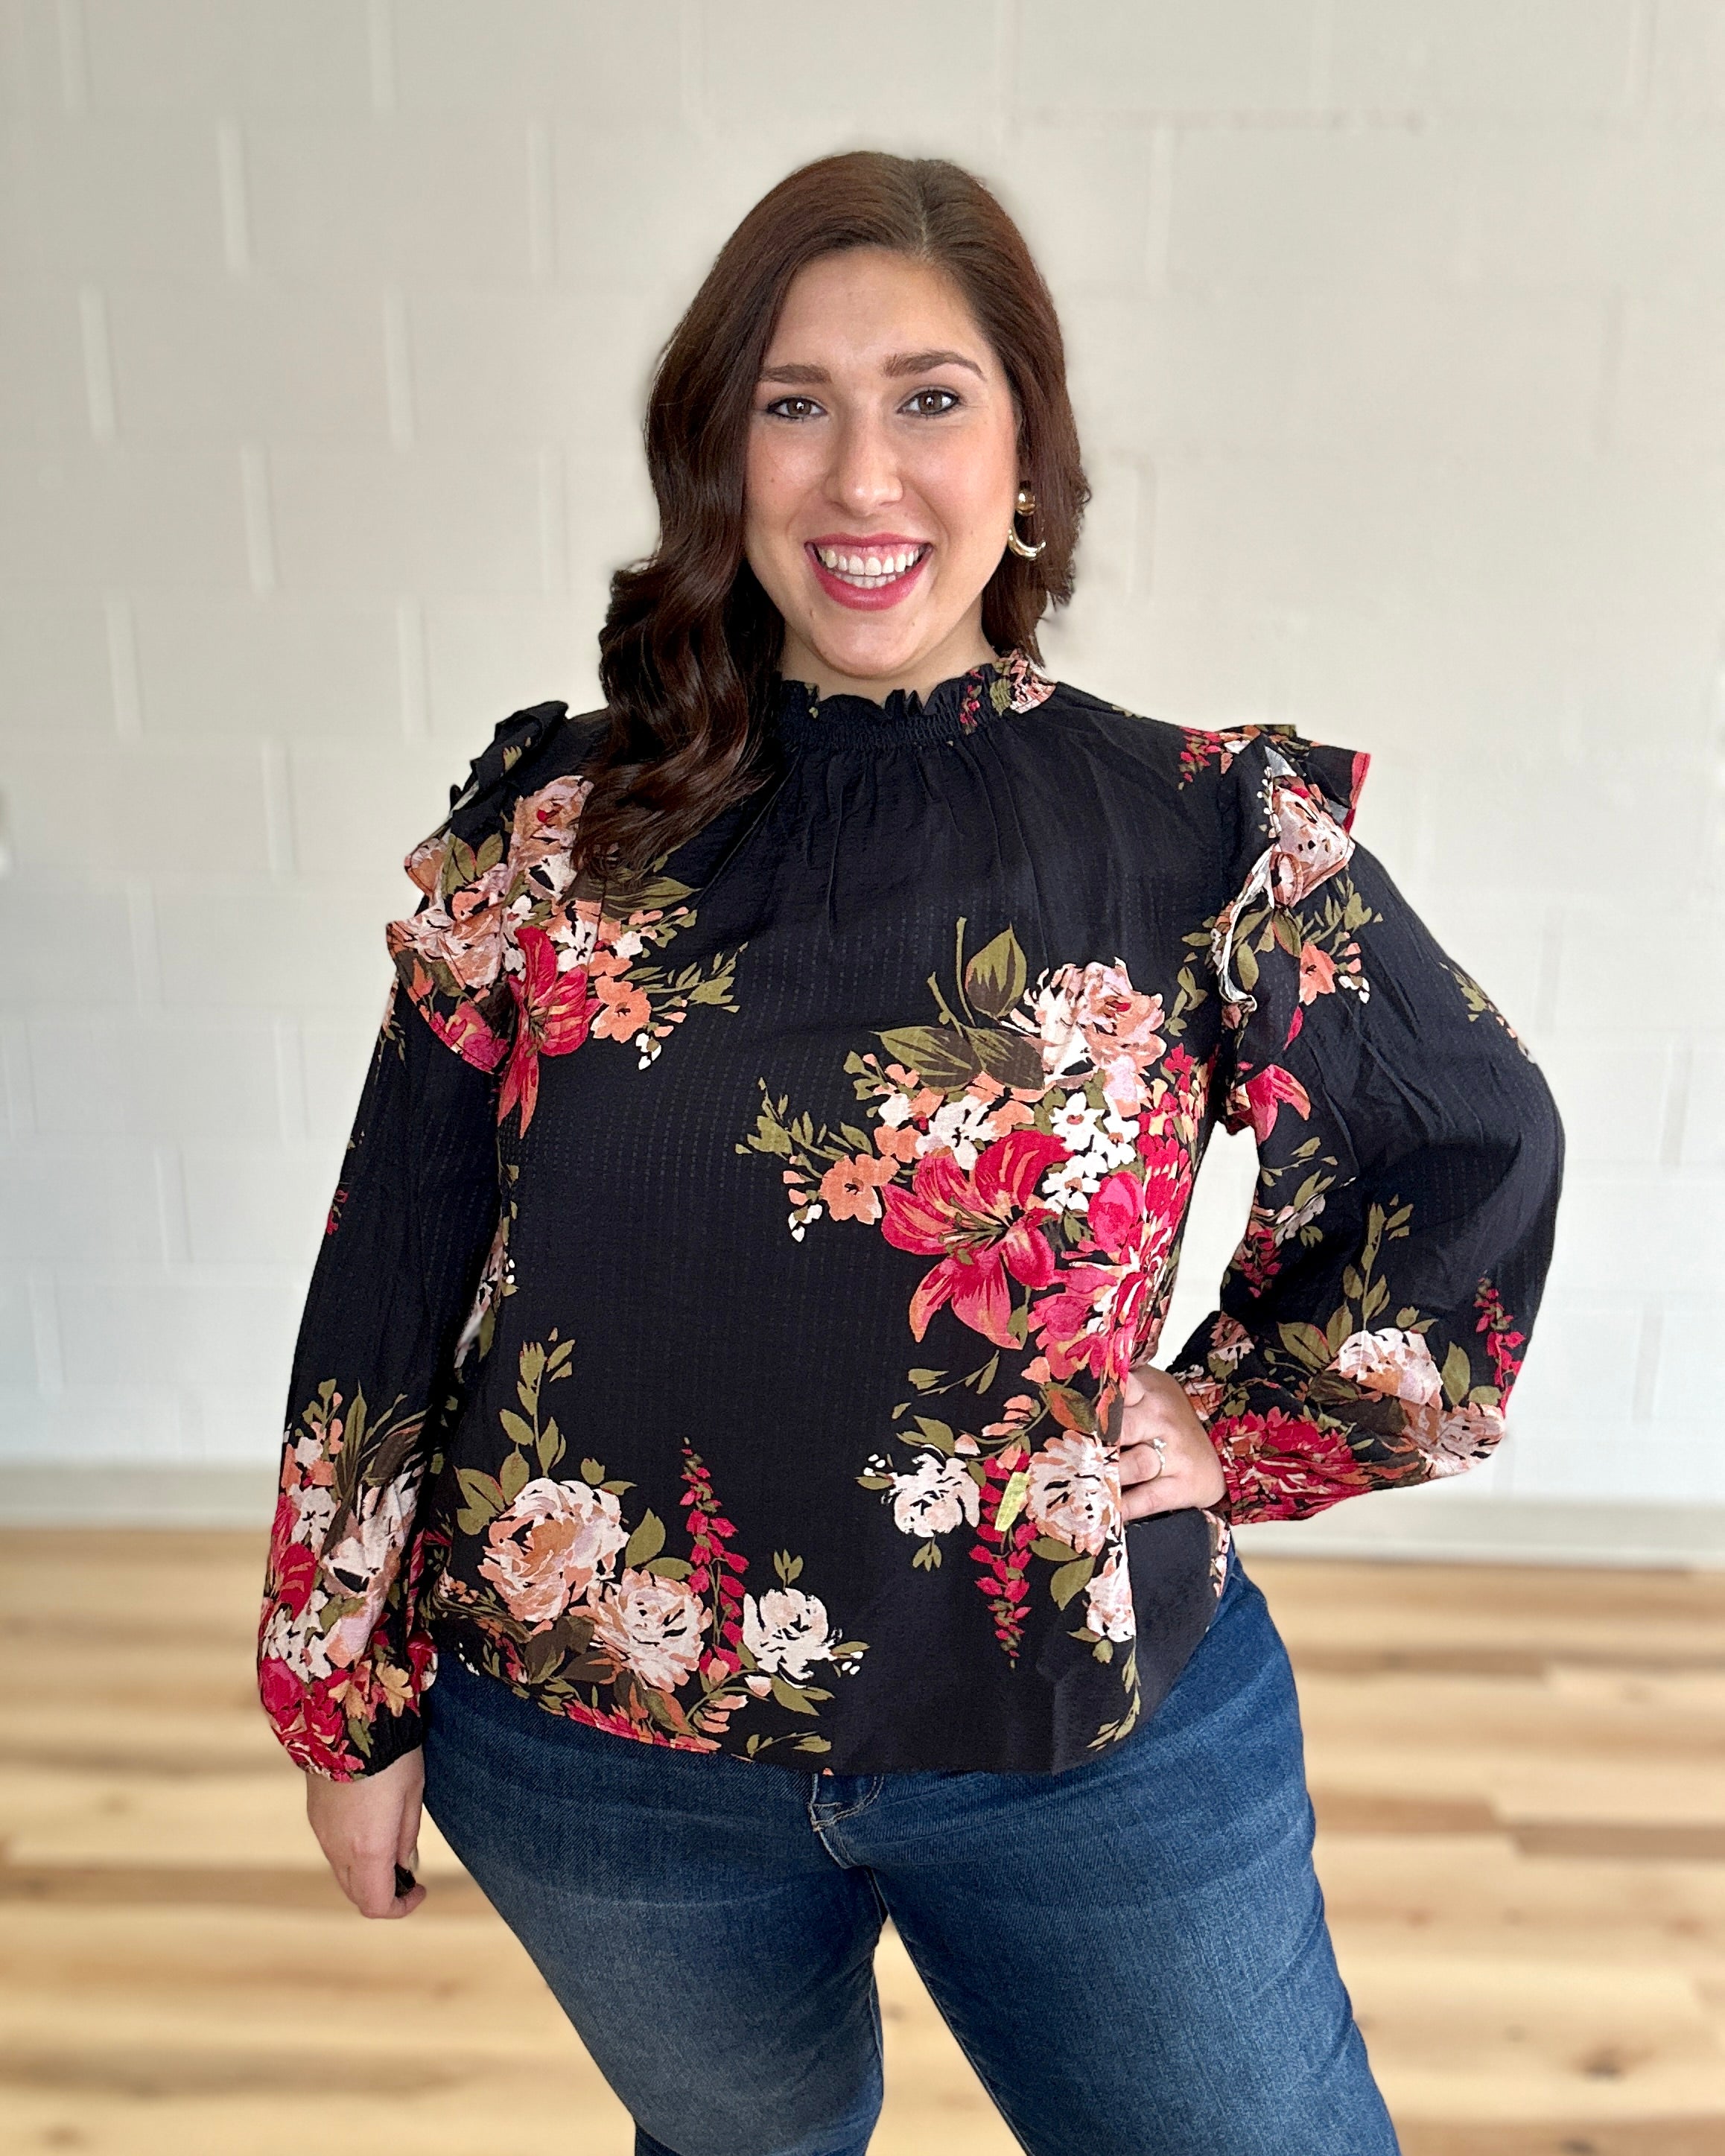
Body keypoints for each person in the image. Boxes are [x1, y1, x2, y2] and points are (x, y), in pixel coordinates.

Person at [256, 150, 1563, 2156]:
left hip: (1087, 1736)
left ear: (1028, 454)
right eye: (795, 404)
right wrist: (338, 1694)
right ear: (722, 457)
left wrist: (1241, 1417)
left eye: (930, 399)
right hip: (606, 1762)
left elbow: (1466, 1142)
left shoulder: (1200, 834)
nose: (862, 475)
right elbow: (396, 1259)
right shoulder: (554, 839)